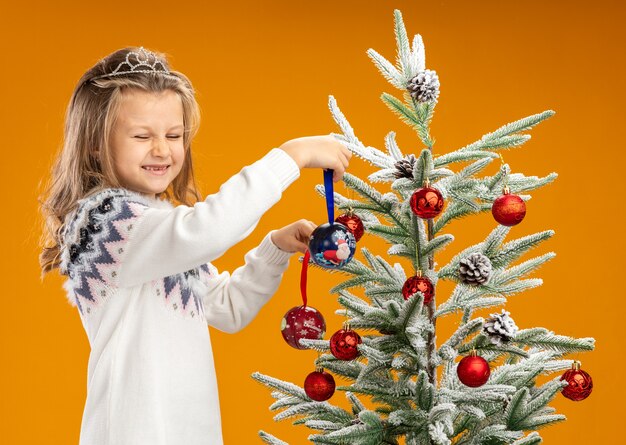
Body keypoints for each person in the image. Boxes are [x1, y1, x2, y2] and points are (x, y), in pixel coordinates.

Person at [38, 46, 351, 445]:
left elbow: (228, 307)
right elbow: (206, 231)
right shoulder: (104, 223)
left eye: (173, 135)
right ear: (95, 144)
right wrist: (291, 156)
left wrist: (274, 249)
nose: (161, 149)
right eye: (141, 136)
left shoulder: (157, 231)